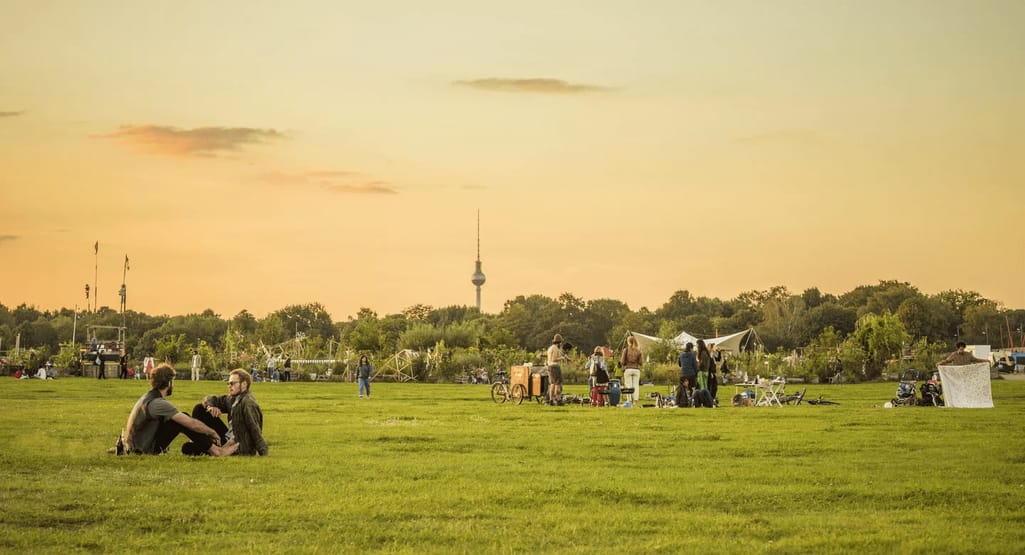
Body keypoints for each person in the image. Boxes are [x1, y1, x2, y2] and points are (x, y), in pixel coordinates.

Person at [118, 364, 235, 456]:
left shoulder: (147, 397)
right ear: (169, 383)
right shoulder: (158, 403)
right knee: (182, 420)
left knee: (180, 419)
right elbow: (192, 424)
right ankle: (217, 451)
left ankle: (213, 449)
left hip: (136, 446)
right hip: (143, 450)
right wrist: (212, 432)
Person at [184, 369, 268, 456]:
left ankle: (212, 447)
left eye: (232, 383)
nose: (229, 386)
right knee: (200, 409)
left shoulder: (248, 403)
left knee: (187, 448)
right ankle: (208, 444)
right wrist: (211, 406)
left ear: (244, 384)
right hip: (227, 438)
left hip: (237, 446)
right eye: (228, 383)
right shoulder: (232, 399)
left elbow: (255, 429)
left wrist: (263, 452)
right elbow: (210, 398)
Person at [620, 336, 644, 404]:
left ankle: (629, 401)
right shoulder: (638, 351)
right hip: (636, 369)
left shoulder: (626, 350)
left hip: (628, 369)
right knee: (636, 386)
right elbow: (641, 362)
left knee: (629, 386)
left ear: (628, 342)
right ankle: (635, 401)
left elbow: (622, 361)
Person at [546, 334, 566, 405]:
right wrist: (561, 358)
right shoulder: (555, 348)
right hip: (555, 367)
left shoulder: (550, 348)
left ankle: (550, 400)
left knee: (552, 384)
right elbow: (554, 359)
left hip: (550, 366)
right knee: (558, 383)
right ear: (559, 342)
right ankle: (558, 400)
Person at [677, 342, 697, 407]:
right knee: (692, 388)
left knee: (684, 389)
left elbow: (679, 364)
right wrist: (696, 373)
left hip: (683, 374)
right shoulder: (692, 355)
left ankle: (684, 401)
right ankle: (692, 402)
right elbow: (695, 365)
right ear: (691, 348)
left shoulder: (681, 355)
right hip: (691, 374)